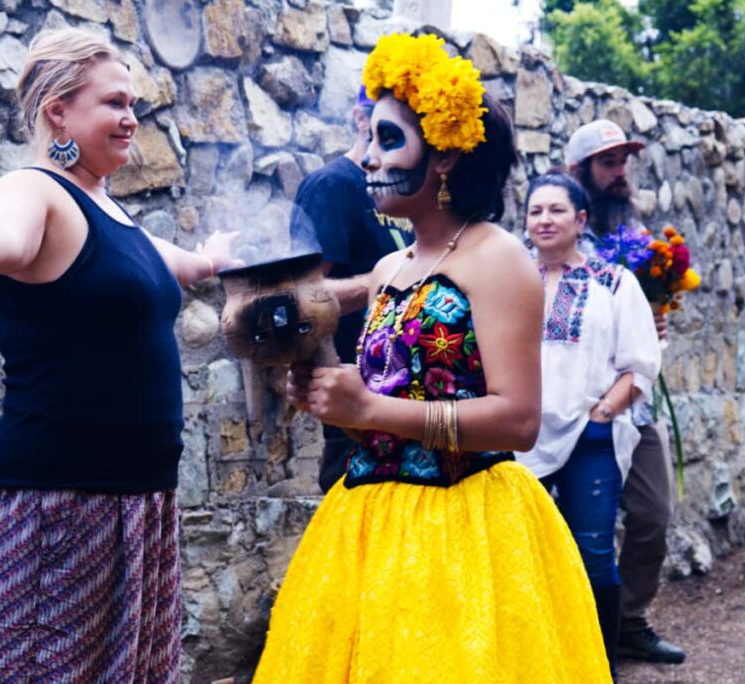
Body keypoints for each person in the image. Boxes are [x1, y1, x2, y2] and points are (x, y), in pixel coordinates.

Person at [253, 33, 610, 683]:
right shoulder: (391, 267)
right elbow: (392, 404)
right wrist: (335, 399)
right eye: (368, 139)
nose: (364, 159)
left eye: (388, 141)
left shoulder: (498, 258)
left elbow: (518, 420)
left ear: (444, 156)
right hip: (367, 528)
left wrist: (371, 404)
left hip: (464, 533)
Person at [0, 29, 237, 682]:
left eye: (133, 103)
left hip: (139, 503)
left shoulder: (116, 218)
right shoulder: (35, 190)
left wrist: (216, 255)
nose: (132, 118)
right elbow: (4, 236)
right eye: (114, 103)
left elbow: (186, 265)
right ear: (59, 112)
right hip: (61, 504)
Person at [516, 171, 662, 679]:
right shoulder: (512, 281)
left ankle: (600, 666)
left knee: (593, 554)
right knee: (522, 554)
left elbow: (640, 363)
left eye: (556, 210)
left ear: (581, 220)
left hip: (589, 437)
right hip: (520, 439)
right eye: (536, 211)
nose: (544, 220)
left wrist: (602, 416)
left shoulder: (614, 282)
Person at [567, 119, 687, 665]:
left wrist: (656, 323)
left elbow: (645, 325)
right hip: (575, 408)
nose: (621, 174)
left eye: (625, 162)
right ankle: (577, 635)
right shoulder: (559, 239)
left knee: (653, 514)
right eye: (608, 163)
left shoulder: (638, 241)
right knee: (575, 530)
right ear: (580, 172)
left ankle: (629, 622)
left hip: (635, 405)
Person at [289, 85, 413, 493]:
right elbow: (301, 298)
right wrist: (384, 280)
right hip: (354, 397)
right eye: (383, 131)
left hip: (406, 400)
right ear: (362, 120)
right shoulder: (333, 186)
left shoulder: (403, 194)